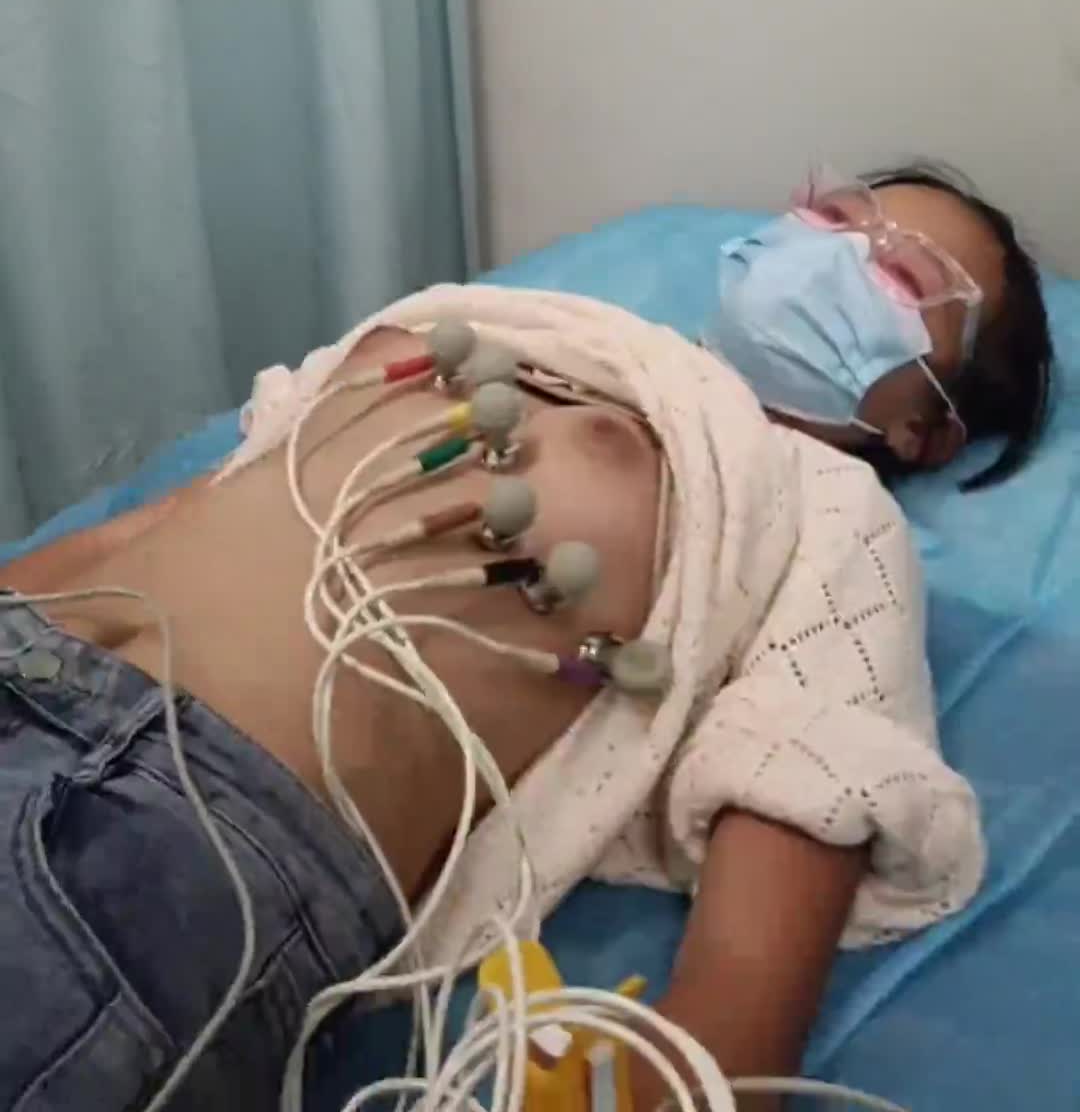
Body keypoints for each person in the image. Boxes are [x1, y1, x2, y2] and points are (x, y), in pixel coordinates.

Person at [0, 163, 1053, 1112]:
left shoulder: (822, 505)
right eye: (835, 217)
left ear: (926, 431)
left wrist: (685, 1078)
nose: (840, 257)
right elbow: (177, 521)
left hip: (163, 820)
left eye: (903, 277)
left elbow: (810, 795)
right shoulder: (510, 323)